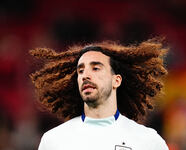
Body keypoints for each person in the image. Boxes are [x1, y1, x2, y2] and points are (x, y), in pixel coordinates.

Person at [30, 38, 169, 150]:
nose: (85, 76)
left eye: (95, 68)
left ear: (116, 81)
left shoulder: (148, 141)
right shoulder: (54, 140)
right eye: (81, 71)